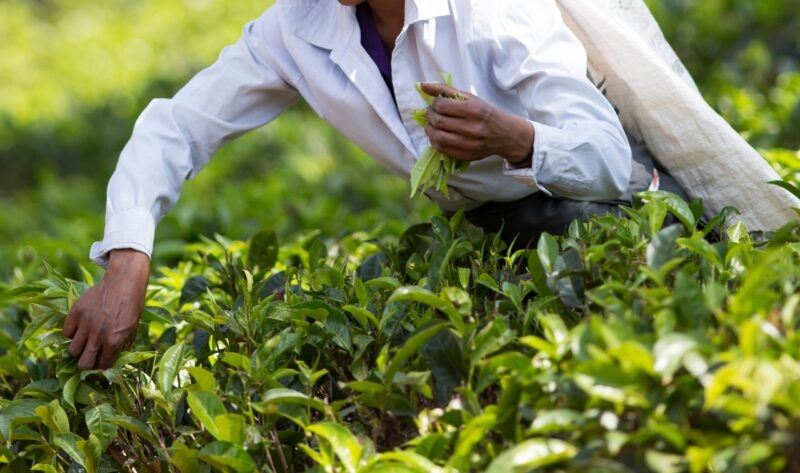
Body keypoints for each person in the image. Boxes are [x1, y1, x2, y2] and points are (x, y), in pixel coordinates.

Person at [63, 0, 663, 370]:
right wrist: (128, 262)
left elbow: (607, 156)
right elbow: (179, 126)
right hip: (486, 228)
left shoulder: (492, 8)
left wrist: (514, 138)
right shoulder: (302, 22)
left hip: (601, 207)